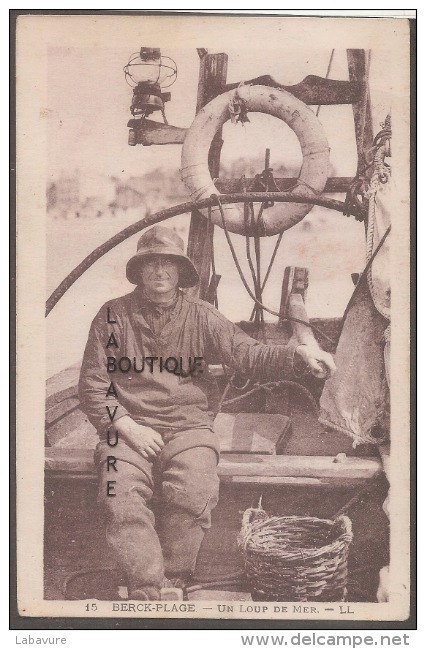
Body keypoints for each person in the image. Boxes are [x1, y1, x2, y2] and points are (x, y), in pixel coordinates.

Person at [78, 225, 336, 601]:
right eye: (151, 264)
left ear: (181, 272)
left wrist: (298, 356)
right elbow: (93, 383)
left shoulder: (202, 316)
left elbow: (247, 354)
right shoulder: (112, 316)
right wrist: (126, 426)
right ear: (139, 271)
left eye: (168, 264)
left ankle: (175, 580)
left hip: (189, 428)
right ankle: (146, 590)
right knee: (119, 494)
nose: (160, 272)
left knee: (194, 492)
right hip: (127, 427)